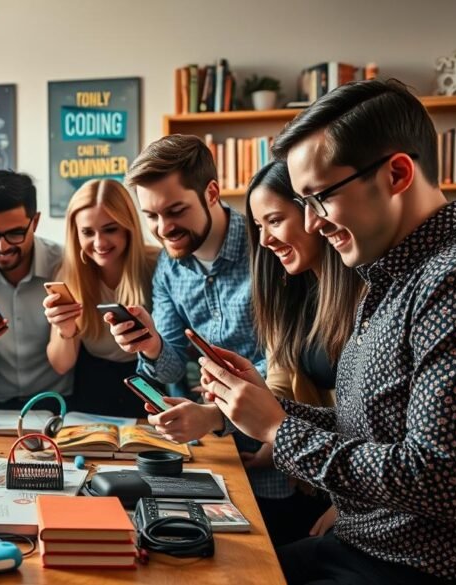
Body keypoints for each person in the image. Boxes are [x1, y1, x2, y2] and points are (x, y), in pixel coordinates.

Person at [199, 79, 456, 584]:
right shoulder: (384, 278)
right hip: (359, 547)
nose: (310, 224)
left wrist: (277, 430)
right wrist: (264, 405)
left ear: (397, 173)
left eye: (319, 199)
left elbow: (438, 480)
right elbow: (369, 432)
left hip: (418, 566)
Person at [114, 135, 292, 543]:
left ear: (211, 192)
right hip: (209, 455)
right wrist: (152, 345)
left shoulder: (268, 246)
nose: (164, 229)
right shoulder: (169, 268)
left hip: (276, 452)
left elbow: (289, 360)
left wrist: (218, 410)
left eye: (176, 211)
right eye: (151, 216)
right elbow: (174, 363)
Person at [42, 179, 160, 417]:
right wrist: (66, 329)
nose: (99, 243)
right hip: (92, 388)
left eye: (110, 229)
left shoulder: (158, 265)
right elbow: (61, 365)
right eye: (87, 232)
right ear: (76, 233)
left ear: (128, 227)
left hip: (150, 384)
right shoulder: (68, 275)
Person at [0, 170, 69, 411]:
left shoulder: (62, 262)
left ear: (35, 222)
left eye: (15, 233)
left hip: (55, 401)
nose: (2, 246)